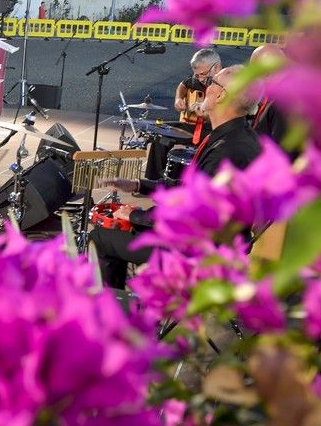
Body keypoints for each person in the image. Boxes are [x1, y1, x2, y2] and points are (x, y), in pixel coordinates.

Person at [91, 64, 263, 289]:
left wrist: (136, 216)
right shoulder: (238, 136)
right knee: (125, 228)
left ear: (221, 95)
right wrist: (139, 184)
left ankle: (111, 314)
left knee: (101, 238)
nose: (207, 87)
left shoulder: (227, 151)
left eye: (212, 83)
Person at [143, 48, 221, 181]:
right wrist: (178, 99)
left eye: (203, 74)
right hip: (195, 127)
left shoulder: (228, 83)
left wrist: (207, 116)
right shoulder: (198, 79)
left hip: (216, 132)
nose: (200, 78)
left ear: (217, 67)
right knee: (161, 132)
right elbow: (183, 85)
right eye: (197, 75)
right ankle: (154, 180)